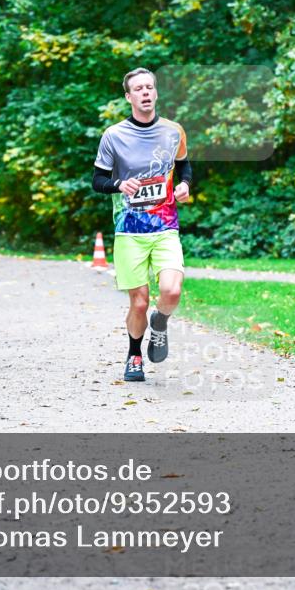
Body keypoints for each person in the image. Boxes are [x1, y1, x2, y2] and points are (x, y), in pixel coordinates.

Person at [92, 67, 192, 382]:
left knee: (171, 291)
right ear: (129, 96)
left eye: (150, 87)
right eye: (139, 88)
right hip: (129, 230)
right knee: (139, 302)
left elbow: (183, 166)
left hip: (165, 226)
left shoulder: (174, 131)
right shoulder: (114, 135)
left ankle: (159, 323)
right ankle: (134, 354)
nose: (145, 92)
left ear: (156, 92)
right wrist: (119, 185)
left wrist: (185, 185)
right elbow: (97, 180)